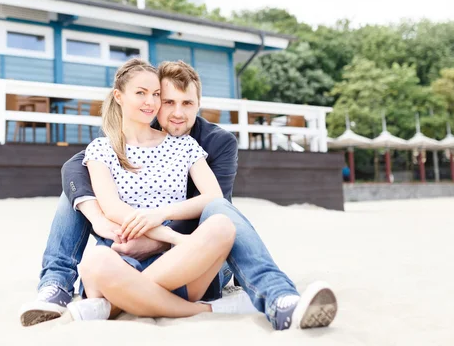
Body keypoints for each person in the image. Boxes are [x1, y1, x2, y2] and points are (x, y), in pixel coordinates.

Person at [20, 60, 337, 330]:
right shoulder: (107, 143)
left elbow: (214, 201)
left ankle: (280, 298)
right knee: (81, 209)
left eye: (183, 102)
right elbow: (82, 177)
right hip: (124, 251)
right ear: (122, 97)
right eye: (164, 100)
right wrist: (98, 218)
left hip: (184, 255)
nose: (172, 111)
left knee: (221, 217)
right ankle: (58, 285)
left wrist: (164, 232)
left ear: (199, 105)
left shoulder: (202, 144)